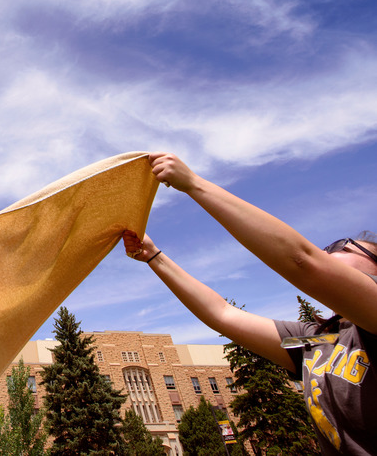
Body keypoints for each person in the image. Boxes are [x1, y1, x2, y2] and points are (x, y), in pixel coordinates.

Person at [122, 152, 377, 456]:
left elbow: (303, 262)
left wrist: (193, 184)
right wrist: (154, 257)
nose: (331, 254)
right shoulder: (314, 340)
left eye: (347, 252)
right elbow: (222, 314)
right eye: (327, 252)